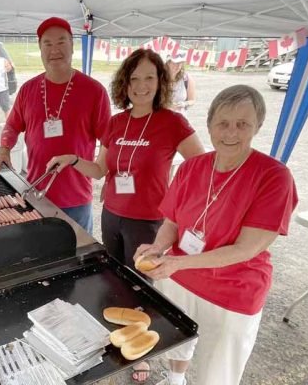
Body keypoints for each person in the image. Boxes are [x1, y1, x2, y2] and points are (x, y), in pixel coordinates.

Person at [47, 49, 204, 383]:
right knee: (115, 281)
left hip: (149, 221)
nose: (141, 85)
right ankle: (118, 336)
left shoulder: (173, 122)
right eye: (134, 78)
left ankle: (140, 350)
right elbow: (101, 169)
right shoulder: (116, 122)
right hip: (112, 215)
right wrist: (74, 159)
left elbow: (200, 167)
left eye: (149, 77)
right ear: (125, 83)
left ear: (161, 81)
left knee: (143, 286)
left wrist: (174, 202)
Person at [134, 85, 298, 385]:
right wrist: (158, 248)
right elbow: (172, 222)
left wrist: (176, 264)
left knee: (217, 373)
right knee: (178, 339)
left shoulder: (274, 176)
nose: (231, 132)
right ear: (209, 125)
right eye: (223, 123)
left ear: (257, 126)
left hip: (233, 290)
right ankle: (174, 379)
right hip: (181, 278)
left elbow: (245, 249)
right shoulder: (192, 167)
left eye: (242, 124)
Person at [0, 17, 111, 234]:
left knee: (79, 256)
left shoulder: (94, 91)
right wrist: (4, 147)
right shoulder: (28, 90)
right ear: (40, 49)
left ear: (72, 46)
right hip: (36, 193)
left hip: (76, 198)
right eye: (47, 44)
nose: (54, 49)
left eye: (61, 42)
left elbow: (109, 141)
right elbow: (12, 124)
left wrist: (108, 173)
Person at [166, 51, 195, 116]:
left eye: (181, 63)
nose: (179, 66)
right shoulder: (158, 78)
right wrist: (166, 104)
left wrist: (184, 104)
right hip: (161, 119)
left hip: (180, 120)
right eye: (176, 63)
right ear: (168, 62)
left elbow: (192, 100)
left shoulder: (186, 78)